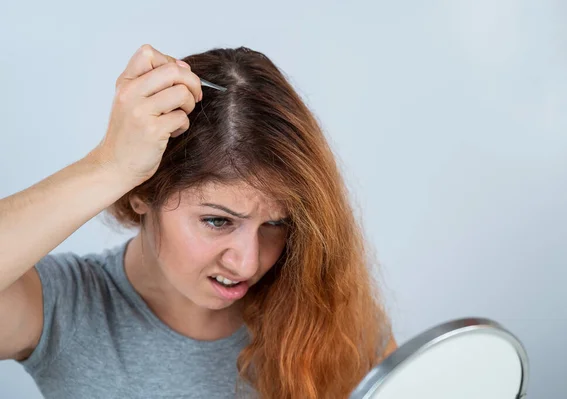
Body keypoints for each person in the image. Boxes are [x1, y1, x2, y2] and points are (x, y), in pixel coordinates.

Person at [0, 44, 397, 398]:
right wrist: (109, 166)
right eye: (217, 221)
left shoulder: (328, 319)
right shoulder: (64, 308)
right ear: (141, 193)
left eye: (276, 224)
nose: (248, 262)